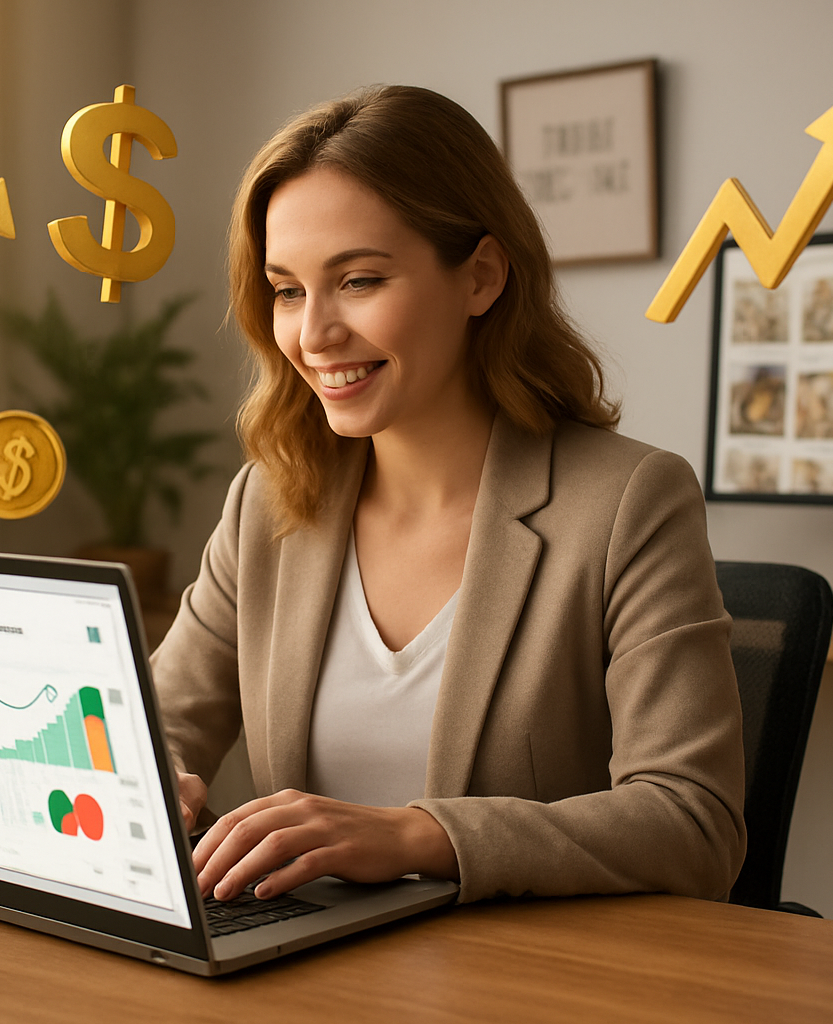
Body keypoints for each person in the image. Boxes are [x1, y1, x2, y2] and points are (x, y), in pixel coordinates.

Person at [149, 85, 746, 906]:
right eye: (287, 289)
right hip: (303, 973)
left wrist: (414, 835)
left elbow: (694, 822)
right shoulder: (271, 501)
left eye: (358, 280)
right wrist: (160, 774)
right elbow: (163, 715)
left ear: (482, 276)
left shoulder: (628, 502)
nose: (313, 334)